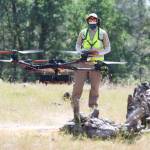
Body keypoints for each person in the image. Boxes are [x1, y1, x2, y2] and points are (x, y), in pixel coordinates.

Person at [71, 13, 111, 123]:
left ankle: (93, 111)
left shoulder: (103, 33)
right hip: (83, 63)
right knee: (77, 86)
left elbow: (108, 48)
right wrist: (82, 52)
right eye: (90, 19)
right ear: (88, 21)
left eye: (94, 19)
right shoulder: (82, 33)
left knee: (95, 88)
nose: (92, 21)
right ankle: (75, 109)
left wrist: (98, 53)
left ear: (97, 21)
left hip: (96, 64)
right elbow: (77, 46)